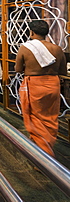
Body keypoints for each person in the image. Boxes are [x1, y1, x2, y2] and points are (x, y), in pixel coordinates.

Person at [15, 20, 66, 157]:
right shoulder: (57, 49)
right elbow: (63, 71)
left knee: (35, 119)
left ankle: (44, 156)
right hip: (53, 85)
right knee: (50, 117)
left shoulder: (26, 48)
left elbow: (18, 69)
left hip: (34, 84)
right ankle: (42, 147)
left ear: (31, 32)